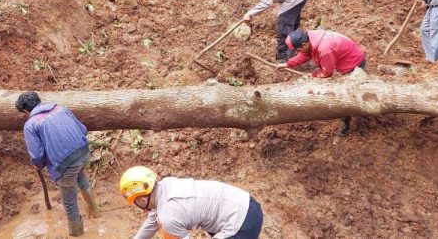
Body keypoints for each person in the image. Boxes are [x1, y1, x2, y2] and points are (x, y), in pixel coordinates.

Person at [16, 92, 100, 236]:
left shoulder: (31, 124)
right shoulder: (62, 109)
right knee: (81, 178)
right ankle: (95, 213)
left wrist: (38, 164)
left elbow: (36, 155)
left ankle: (77, 233)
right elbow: (83, 130)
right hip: (84, 153)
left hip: (66, 164)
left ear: (25, 111)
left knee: (69, 201)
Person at [120, 166, 263, 239]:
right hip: (247, 204)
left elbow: (165, 220)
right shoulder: (166, 186)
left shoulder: (168, 216)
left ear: (142, 199)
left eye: (135, 202)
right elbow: (152, 221)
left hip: (241, 224)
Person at [279, 29, 365, 135]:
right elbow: (305, 54)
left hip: (353, 64)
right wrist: (288, 64)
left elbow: (326, 73)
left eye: (298, 49)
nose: (297, 52)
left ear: (304, 44)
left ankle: (346, 124)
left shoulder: (325, 50)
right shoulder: (310, 38)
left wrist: (312, 76)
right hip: (344, 57)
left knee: (348, 95)